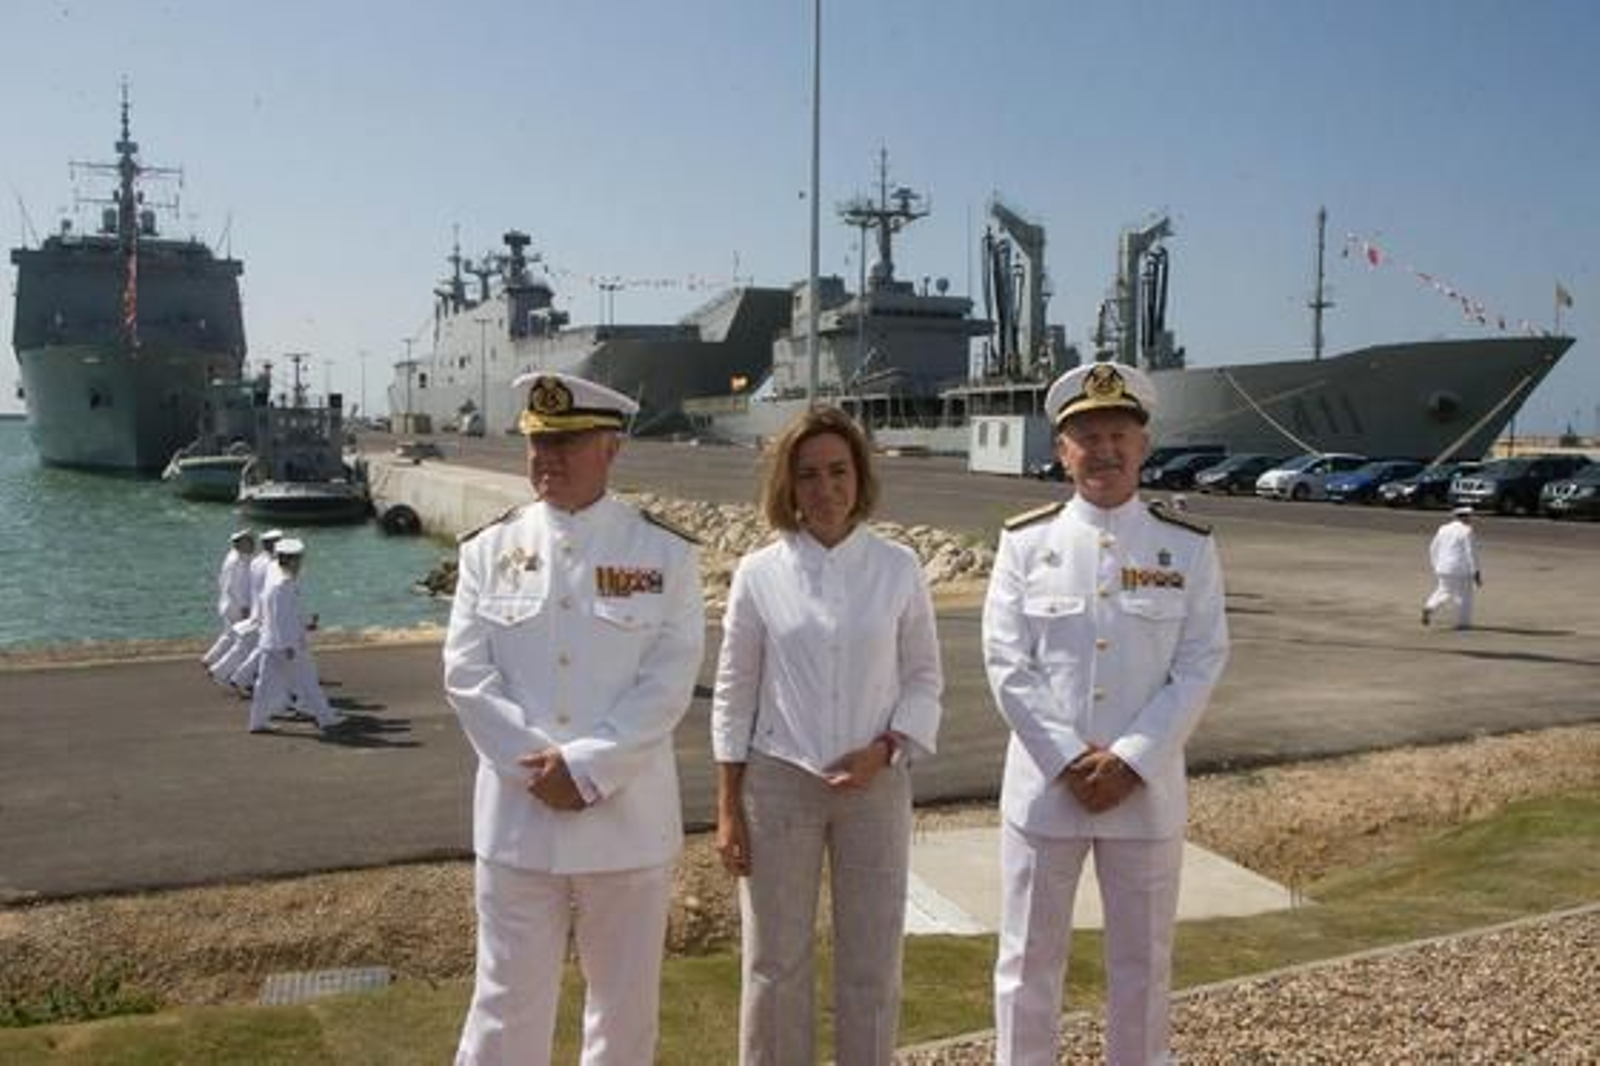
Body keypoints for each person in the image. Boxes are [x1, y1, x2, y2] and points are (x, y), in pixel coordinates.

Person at [443, 371, 706, 1066]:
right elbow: (467, 676)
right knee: (504, 1012)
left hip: (625, 828)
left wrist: (585, 770)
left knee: (622, 1019)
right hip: (519, 825)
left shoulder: (665, 555)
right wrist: (539, 770)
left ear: (611, 447)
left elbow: (668, 683)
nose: (545, 459)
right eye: (536, 442)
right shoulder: (485, 551)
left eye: (566, 441)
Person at [983, 362, 1230, 1065]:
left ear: (1144, 446)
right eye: (1086, 436)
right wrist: (1069, 760)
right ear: (1062, 451)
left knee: (1143, 968)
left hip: (1142, 793)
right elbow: (1007, 661)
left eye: (1118, 434)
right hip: (1045, 791)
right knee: (1027, 964)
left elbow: (1202, 659)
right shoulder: (1025, 542)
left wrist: (1129, 759)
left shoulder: (1188, 547)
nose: (1104, 451)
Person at [711, 406, 943, 1065]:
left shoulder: (899, 568)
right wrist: (729, 808)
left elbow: (924, 679)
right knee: (773, 962)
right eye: (808, 474)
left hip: (876, 785)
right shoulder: (758, 574)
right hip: (778, 784)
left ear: (859, 476)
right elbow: (734, 693)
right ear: (788, 485)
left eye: (838, 471)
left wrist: (883, 752)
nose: (825, 487)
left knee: (872, 960)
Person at [248, 538, 340, 734]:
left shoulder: (275, 571)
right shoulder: (283, 583)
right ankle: (326, 719)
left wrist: (307, 622)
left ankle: (257, 722)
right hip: (287, 644)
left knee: (264, 685)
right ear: (289, 561)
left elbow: (289, 611)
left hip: (269, 641)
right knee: (308, 681)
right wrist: (288, 645)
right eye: (298, 559)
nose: (301, 562)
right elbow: (281, 616)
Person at [211, 527, 283, 693]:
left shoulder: (256, 560)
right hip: (258, 611)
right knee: (249, 645)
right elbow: (239, 586)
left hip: (255, 610)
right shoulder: (266, 564)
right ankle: (230, 675)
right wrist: (245, 606)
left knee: (248, 645)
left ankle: (230, 674)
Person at [200, 529, 255, 673]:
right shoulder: (238, 560)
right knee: (241, 638)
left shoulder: (232, 557)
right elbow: (236, 586)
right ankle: (226, 669)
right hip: (235, 605)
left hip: (228, 603)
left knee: (229, 635)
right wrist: (244, 606)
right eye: (248, 540)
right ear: (241, 543)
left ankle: (209, 659)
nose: (252, 543)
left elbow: (223, 582)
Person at [1423, 505, 1481, 629]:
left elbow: (1433, 547)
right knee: (1464, 595)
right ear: (1464, 517)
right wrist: (1476, 571)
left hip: (1443, 567)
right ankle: (1463, 623)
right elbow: (1471, 552)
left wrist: (1435, 564)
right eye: (1469, 516)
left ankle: (1429, 607)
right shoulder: (1467, 530)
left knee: (1443, 591)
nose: (1471, 519)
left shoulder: (1443, 528)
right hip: (1460, 569)